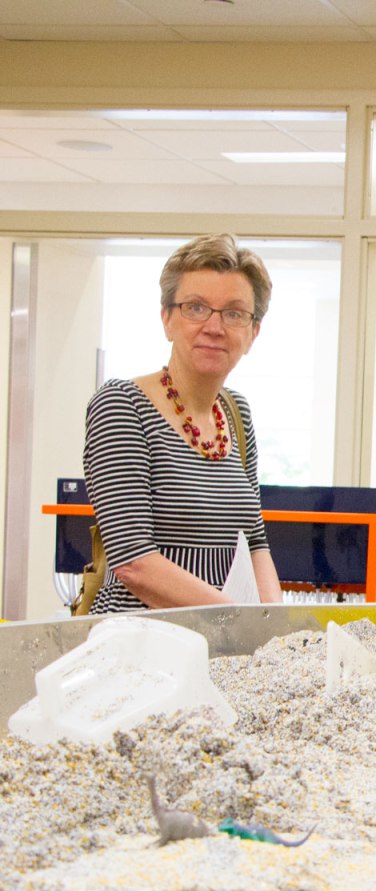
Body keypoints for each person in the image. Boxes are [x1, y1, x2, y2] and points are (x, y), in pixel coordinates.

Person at [82, 233, 283, 612]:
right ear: (167, 320)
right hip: (141, 647)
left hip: (225, 648)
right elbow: (133, 561)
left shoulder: (237, 413)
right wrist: (241, 621)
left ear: (253, 332)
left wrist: (277, 626)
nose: (214, 326)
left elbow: (255, 541)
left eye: (234, 313)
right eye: (195, 308)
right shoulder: (122, 405)